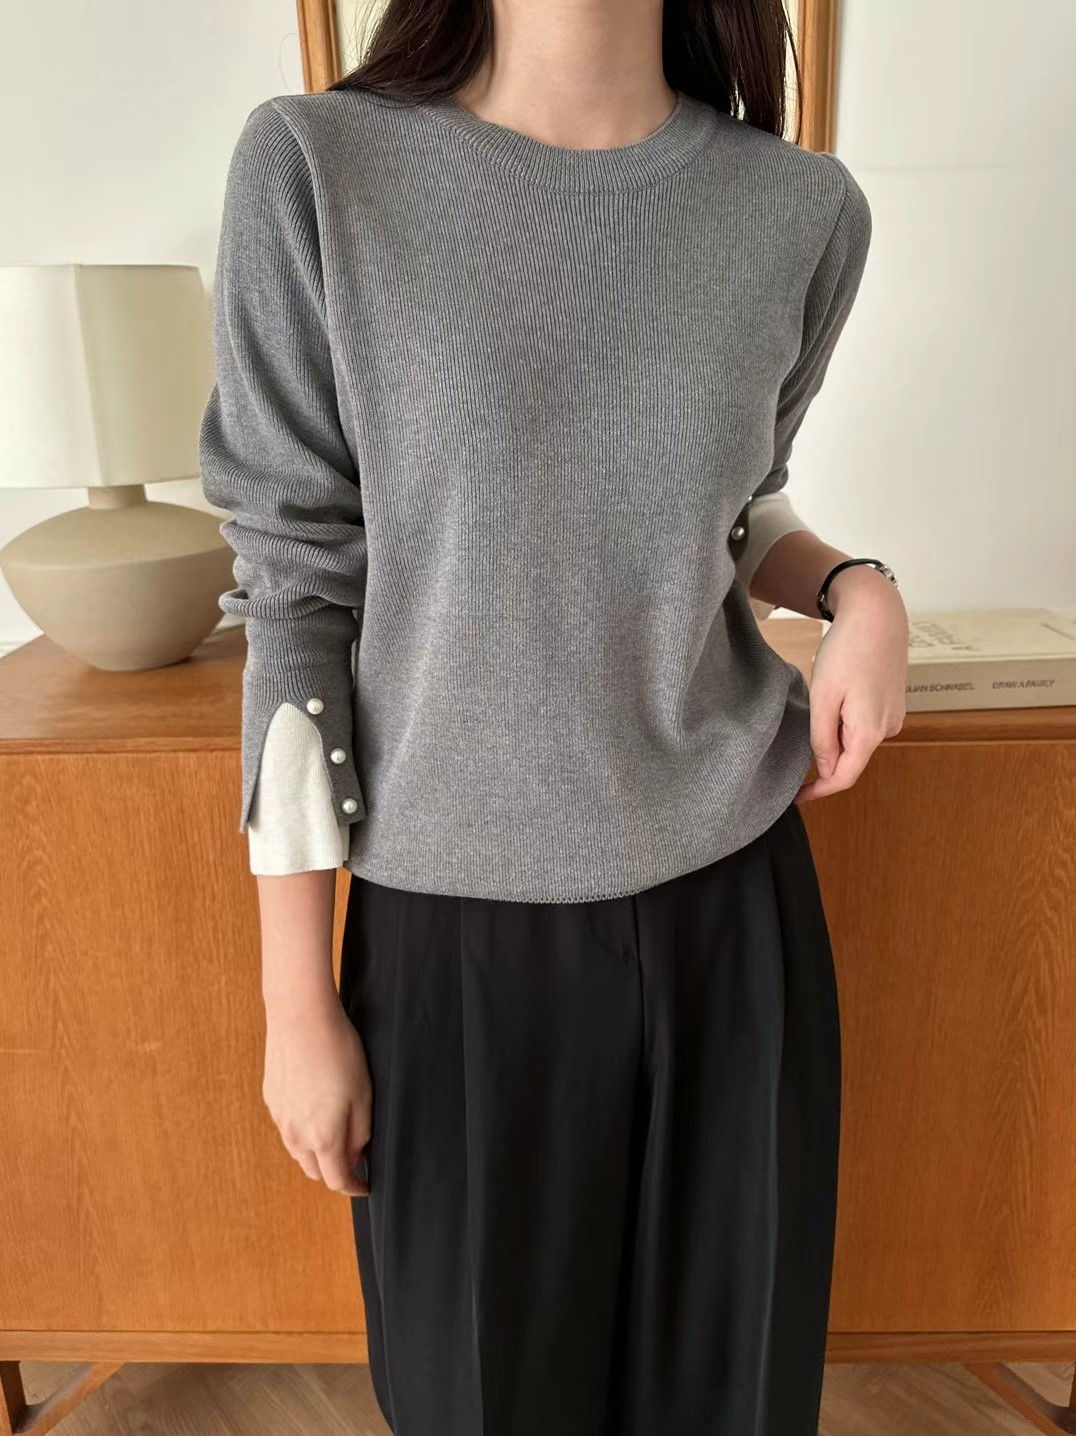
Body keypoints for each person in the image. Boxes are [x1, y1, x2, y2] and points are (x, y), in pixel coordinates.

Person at [198, 0, 909, 1430]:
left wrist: (858, 590)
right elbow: (297, 595)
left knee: (732, 1400)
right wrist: (296, 1003)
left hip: (732, 913)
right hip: (451, 939)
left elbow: (725, 507)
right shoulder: (320, 170)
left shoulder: (800, 210)